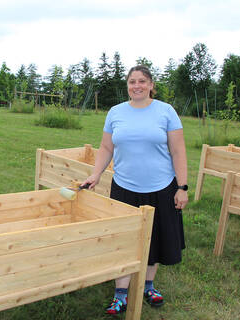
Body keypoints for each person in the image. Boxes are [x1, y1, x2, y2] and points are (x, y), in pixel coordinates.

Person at [81, 65, 188, 314]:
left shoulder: (166, 112)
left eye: (142, 81)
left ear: (151, 85)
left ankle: (148, 286)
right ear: (127, 85)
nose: (136, 86)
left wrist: (181, 187)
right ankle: (121, 294)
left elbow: (178, 151)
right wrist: (95, 174)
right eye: (132, 82)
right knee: (123, 240)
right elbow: (106, 148)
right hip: (124, 188)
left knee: (156, 239)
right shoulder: (116, 112)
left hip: (161, 188)